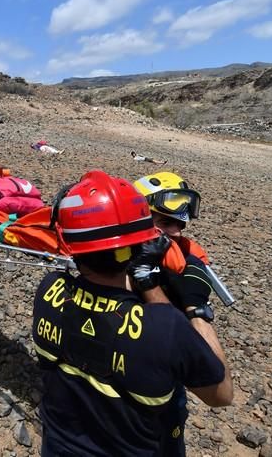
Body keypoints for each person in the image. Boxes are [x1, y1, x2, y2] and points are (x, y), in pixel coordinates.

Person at [33, 170, 232, 455]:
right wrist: (196, 307)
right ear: (140, 243)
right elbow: (221, 395)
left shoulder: (49, 289)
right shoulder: (166, 326)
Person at [133, 171, 214, 455]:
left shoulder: (181, 261)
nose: (177, 232)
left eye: (180, 224)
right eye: (166, 222)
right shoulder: (117, 264)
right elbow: (218, 390)